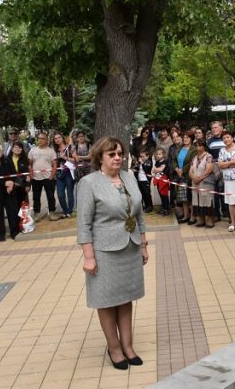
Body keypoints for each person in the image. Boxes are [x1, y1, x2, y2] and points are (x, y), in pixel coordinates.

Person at [77, 137, 148, 370]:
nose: (118, 157)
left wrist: (144, 243)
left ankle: (128, 346)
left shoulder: (128, 177)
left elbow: (139, 214)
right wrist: (89, 257)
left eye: (120, 153)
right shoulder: (89, 183)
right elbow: (84, 224)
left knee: (125, 297)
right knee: (107, 301)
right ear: (100, 158)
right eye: (112, 154)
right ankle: (114, 348)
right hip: (104, 251)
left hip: (130, 246)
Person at [217, 130, 235, 232]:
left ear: (232, 138)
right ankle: (233, 223)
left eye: (228, 137)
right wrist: (232, 162)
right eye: (224, 138)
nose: (226, 139)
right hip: (228, 179)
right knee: (231, 202)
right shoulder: (221, 150)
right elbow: (220, 165)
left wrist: (227, 163)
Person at [28, 132, 58, 219]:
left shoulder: (51, 151)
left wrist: (52, 175)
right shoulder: (32, 150)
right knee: (36, 197)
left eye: (42, 138)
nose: (40, 140)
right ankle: (37, 213)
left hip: (48, 177)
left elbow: (55, 165)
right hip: (36, 178)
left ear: (47, 140)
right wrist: (31, 173)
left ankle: (52, 212)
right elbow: (29, 163)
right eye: (39, 138)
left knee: (50, 196)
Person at [189, 139, 215, 228]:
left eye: (200, 145)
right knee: (197, 200)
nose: (198, 148)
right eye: (197, 146)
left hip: (206, 182)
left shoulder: (209, 156)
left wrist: (199, 178)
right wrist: (194, 178)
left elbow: (209, 169)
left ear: (204, 146)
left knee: (207, 200)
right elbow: (191, 170)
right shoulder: (194, 157)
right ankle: (201, 220)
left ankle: (209, 221)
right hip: (195, 183)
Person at [172, 132, 196, 224]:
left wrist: (182, 170)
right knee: (183, 197)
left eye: (187, 138)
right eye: (184, 137)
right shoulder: (179, 148)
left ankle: (193, 217)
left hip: (188, 175)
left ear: (191, 139)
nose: (185, 139)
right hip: (180, 176)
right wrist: (177, 169)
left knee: (190, 197)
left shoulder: (194, 149)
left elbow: (191, 162)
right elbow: (174, 159)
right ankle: (186, 216)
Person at [53, 132, 75, 218]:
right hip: (59, 175)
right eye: (55, 138)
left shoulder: (70, 148)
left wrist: (65, 157)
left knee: (70, 193)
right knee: (60, 195)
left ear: (62, 138)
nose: (58, 139)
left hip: (69, 173)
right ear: (54, 141)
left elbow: (76, 160)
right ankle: (65, 210)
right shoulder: (54, 150)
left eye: (59, 137)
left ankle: (70, 211)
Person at [9, 141, 30, 209]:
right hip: (11, 186)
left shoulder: (24, 159)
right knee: (14, 206)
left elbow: (27, 173)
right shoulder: (7, 160)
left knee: (24, 205)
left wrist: (28, 185)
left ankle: (24, 219)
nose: (18, 149)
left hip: (22, 186)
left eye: (20, 148)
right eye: (16, 147)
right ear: (12, 149)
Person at [151, 147, 171, 215]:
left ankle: (166, 209)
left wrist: (156, 169)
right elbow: (153, 170)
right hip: (158, 181)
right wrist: (156, 170)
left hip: (164, 181)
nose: (158, 155)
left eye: (160, 154)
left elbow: (161, 169)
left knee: (164, 195)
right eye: (157, 154)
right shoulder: (157, 162)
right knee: (161, 195)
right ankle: (163, 208)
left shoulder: (165, 162)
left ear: (163, 155)